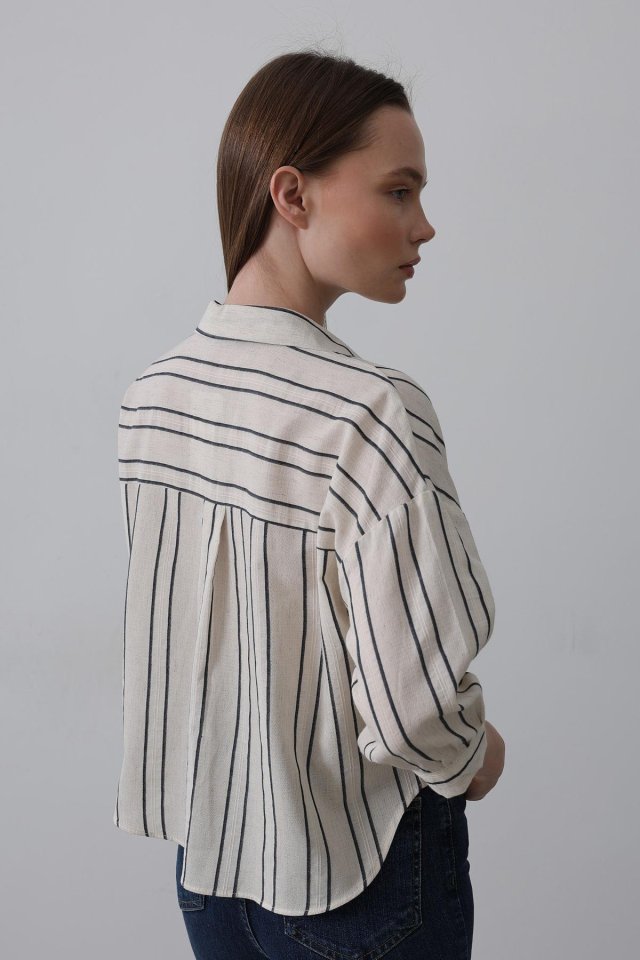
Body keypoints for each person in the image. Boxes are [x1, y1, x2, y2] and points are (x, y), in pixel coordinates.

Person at [114, 48, 505, 960]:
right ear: (291, 194)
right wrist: (474, 755)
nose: (425, 225)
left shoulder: (154, 398)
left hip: (212, 873)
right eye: (399, 191)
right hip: (362, 877)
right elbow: (414, 711)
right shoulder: (371, 413)